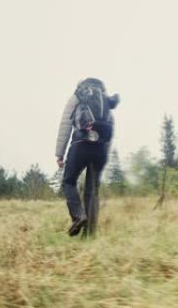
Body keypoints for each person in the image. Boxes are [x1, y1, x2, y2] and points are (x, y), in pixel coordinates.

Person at [55, 78, 119, 237]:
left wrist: (60, 153)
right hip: (101, 149)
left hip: (81, 144)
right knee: (92, 191)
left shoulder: (77, 96)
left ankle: (78, 216)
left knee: (68, 181)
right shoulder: (106, 102)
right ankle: (89, 234)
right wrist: (104, 154)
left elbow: (65, 125)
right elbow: (111, 129)